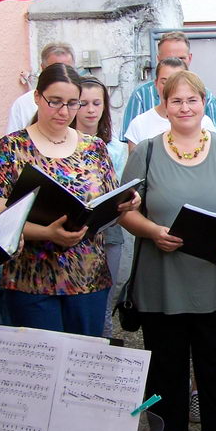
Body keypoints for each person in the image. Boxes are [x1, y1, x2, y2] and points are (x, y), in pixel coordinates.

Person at [120, 69, 216, 431]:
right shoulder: (145, 152)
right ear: (164, 108)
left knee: (215, 360)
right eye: (176, 101)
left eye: (192, 100)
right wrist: (152, 230)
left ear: (204, 104)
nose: (184, 107)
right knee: (165, 362)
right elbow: (124, 212)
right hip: (163, 275)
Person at [0, 63, 138, 337]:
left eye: (72, 103)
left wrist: (126, 205)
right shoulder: (11, 147)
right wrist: (47, 233)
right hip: (31, 279)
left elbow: (109, 205)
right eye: (55, 102)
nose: (64, 112)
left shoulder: (94, 147)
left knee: (81, 366)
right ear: (37, 97)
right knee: (39, 368)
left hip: (88, 276)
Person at [71, 76, 129, 337]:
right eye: (84, 103)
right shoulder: (62, 143)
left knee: (104, 304)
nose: (91, 110)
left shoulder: (115, 148)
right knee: (77, 306)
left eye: (97, 103)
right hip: (73, 231)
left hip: (109, 229)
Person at [120, 31, 216, 139]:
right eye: (169, 59)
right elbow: (132, 141)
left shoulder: (206, 95)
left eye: (181, 58)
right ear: (158, 60)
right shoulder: (141, 95)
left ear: (190, 58)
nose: (175, 63)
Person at [124, 57, 215, 151]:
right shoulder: (139, 124)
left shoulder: (205, 123)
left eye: (178, 81)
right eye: (165, 82)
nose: (171, 87)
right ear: (156, 83)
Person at [6, 42, 76, 134]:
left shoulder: (85, 102)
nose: (62, 76)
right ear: (43, 68)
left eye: (68, 70)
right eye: (54, 70)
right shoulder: (23, 105)